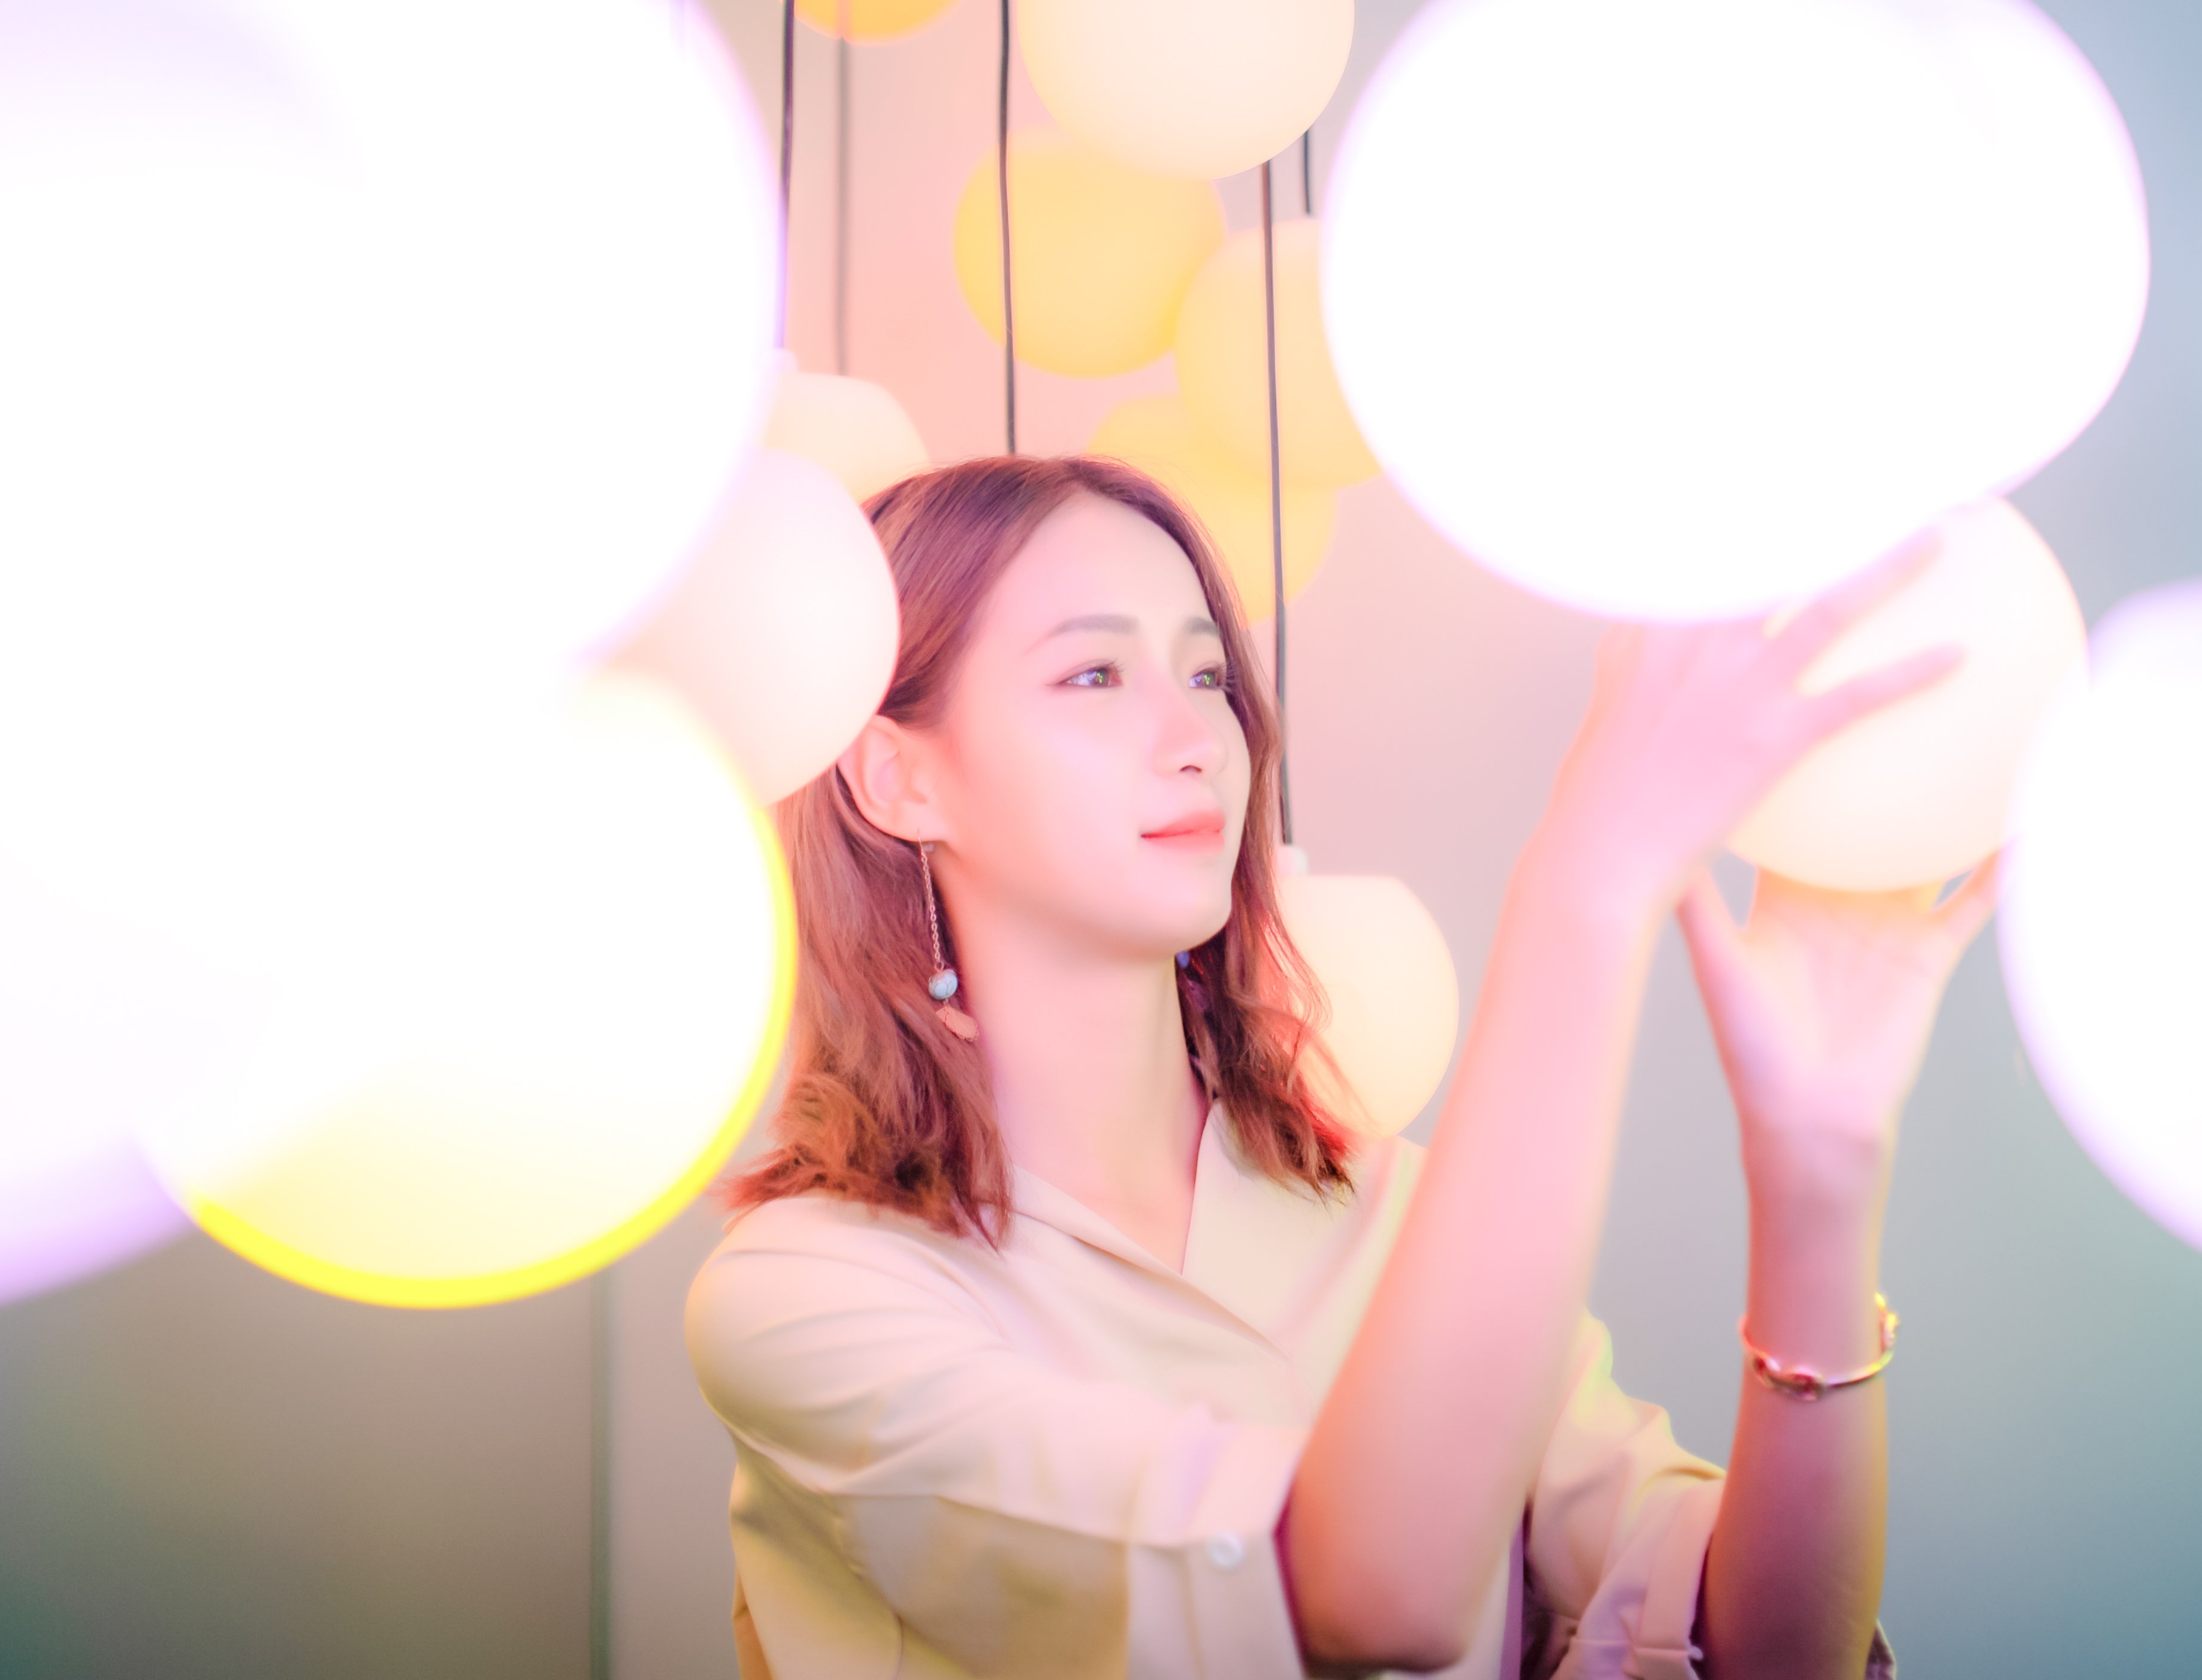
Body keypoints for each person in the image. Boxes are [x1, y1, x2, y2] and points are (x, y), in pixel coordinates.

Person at [686, 457, 1995, 1678]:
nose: (1198, 737)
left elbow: (1761, 1647)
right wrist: (1585, 887)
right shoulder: (807, 1296)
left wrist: (1819, 1180)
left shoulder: (1399, 1213)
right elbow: (1375, 1593)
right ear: (896, 779)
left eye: (1207, 677)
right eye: (1093, 677)